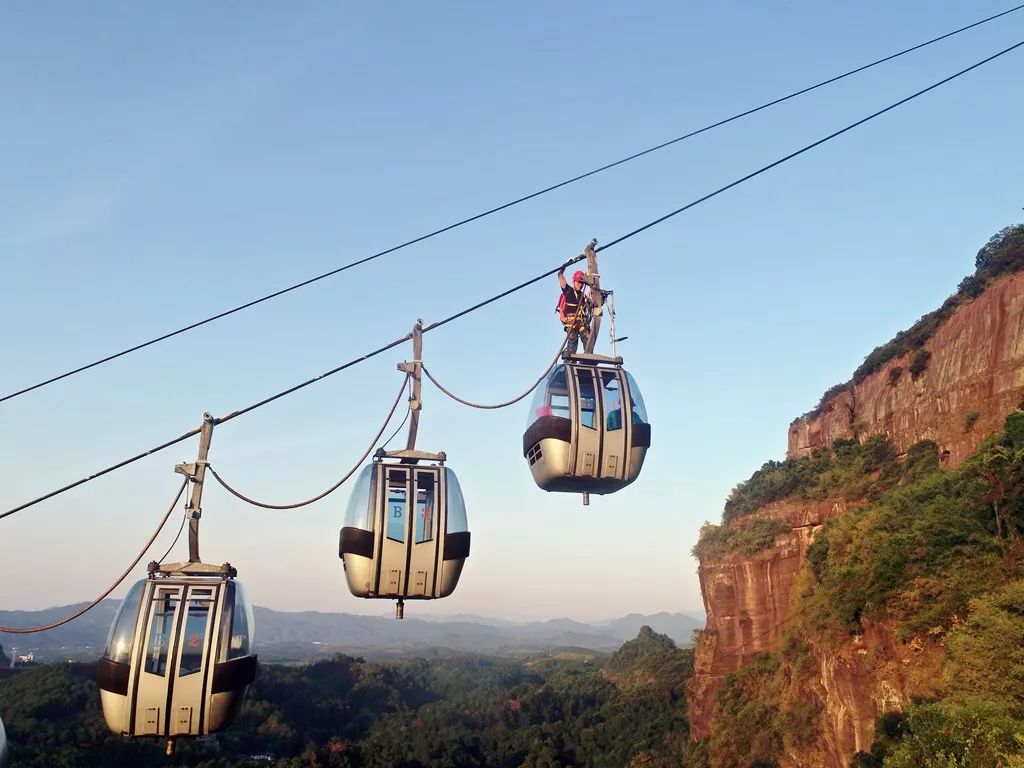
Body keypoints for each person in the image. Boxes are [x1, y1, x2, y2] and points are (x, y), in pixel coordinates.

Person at [557, 266, 590, 354]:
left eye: (582, 283)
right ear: (574, 281)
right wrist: (565, 265)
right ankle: (570, 359)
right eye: (578, 282)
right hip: (571, 322)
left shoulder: (583, 297)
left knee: (587, 337)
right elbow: (560, 275)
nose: (580, 285)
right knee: (573, 337)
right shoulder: (568, 291)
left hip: (581, 322)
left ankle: (588, 358)